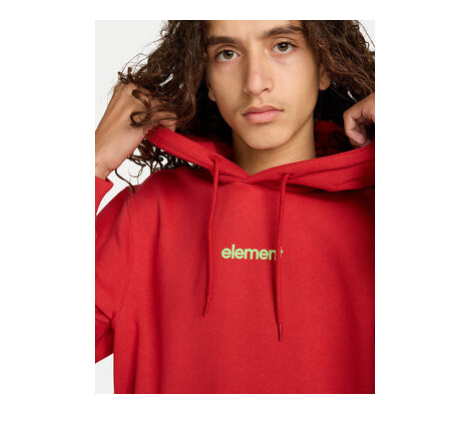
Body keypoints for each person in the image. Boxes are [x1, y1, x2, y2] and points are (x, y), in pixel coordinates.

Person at [95, 20, 375, 394]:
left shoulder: (379, 211)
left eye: (283, 45)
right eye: (227, 53)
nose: (254, 83)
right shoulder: (150, 215)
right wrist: (94, 161)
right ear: (208, 80)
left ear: (324, 66)